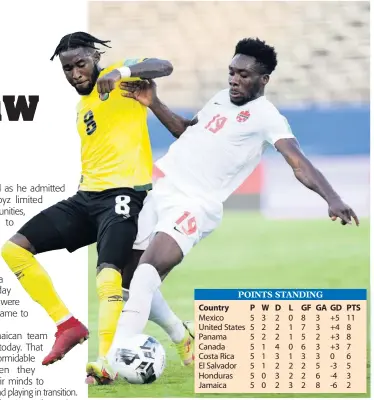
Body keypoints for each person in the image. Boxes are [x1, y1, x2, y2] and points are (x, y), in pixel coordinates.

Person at [87, 37, 360, 383]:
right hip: (162, 189)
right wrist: (154, 102)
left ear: (264, 80)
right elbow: (185, 133)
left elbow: (298, 162)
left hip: (194, 204)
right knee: (127, 283)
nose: (234, 79)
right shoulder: (219, 98)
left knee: (147, 272)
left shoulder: (266, 116)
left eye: (244, 75)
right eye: (231, 72)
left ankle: (111, 361)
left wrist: (332, 197)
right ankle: (182, 336)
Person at [0, 31, 174, 367]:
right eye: (67, 69)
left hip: (124, 196)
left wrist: (120, 73)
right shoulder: (83, 107)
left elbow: (164, 66)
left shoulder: (124, 77)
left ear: (95, 58)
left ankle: (105, 362)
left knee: (112, 277)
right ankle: (67, 325)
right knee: (13, 249)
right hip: (86, 198)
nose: (75, 73)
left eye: (80, 64)